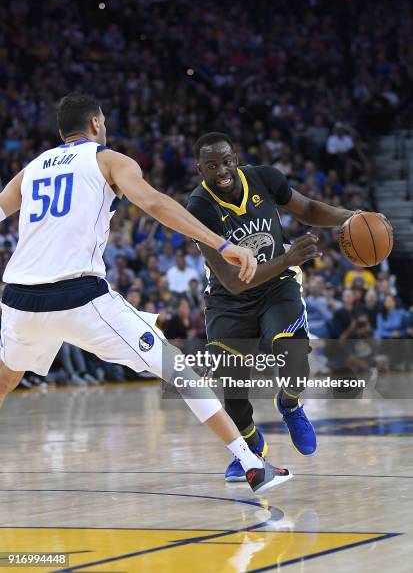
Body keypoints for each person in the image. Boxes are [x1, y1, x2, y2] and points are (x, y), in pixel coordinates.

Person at [0, 93, 291, 494]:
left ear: (60, 131)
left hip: (19, 299)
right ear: (97, 124)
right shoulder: (109, 160)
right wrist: (223, 244)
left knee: (5, 379)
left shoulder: (31, 169)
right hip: (77, 295)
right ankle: (251, 465)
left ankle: (250, 461)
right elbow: (154, 203)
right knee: (179, 369)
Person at [187, 132, 356, 481]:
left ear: (235, 158)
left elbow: (307, 208)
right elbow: (234, 280)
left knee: (294, 357)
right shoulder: (199, 208)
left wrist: (349, 217)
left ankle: (290, 404)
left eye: (225, 160)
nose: (221, 170)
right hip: (228, 300)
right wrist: (289, 257)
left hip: (277, 289)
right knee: (231, 388)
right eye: (211, 165)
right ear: (200, 169)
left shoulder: (264, 178)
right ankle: (251, 452)